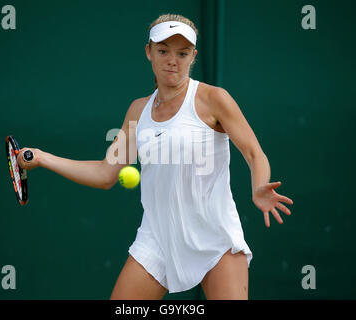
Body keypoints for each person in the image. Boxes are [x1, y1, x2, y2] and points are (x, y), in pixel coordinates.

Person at [17, 13, 294, 300]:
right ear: (149, 52)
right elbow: (104, 174)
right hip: (157, 240)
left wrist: (259, 186)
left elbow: (253, 153)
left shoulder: (214, 99)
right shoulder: (138, 111)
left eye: (182, 53)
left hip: (215, 237)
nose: (172, 60)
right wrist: (41, 157)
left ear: (193, 56)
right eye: (163, 51)